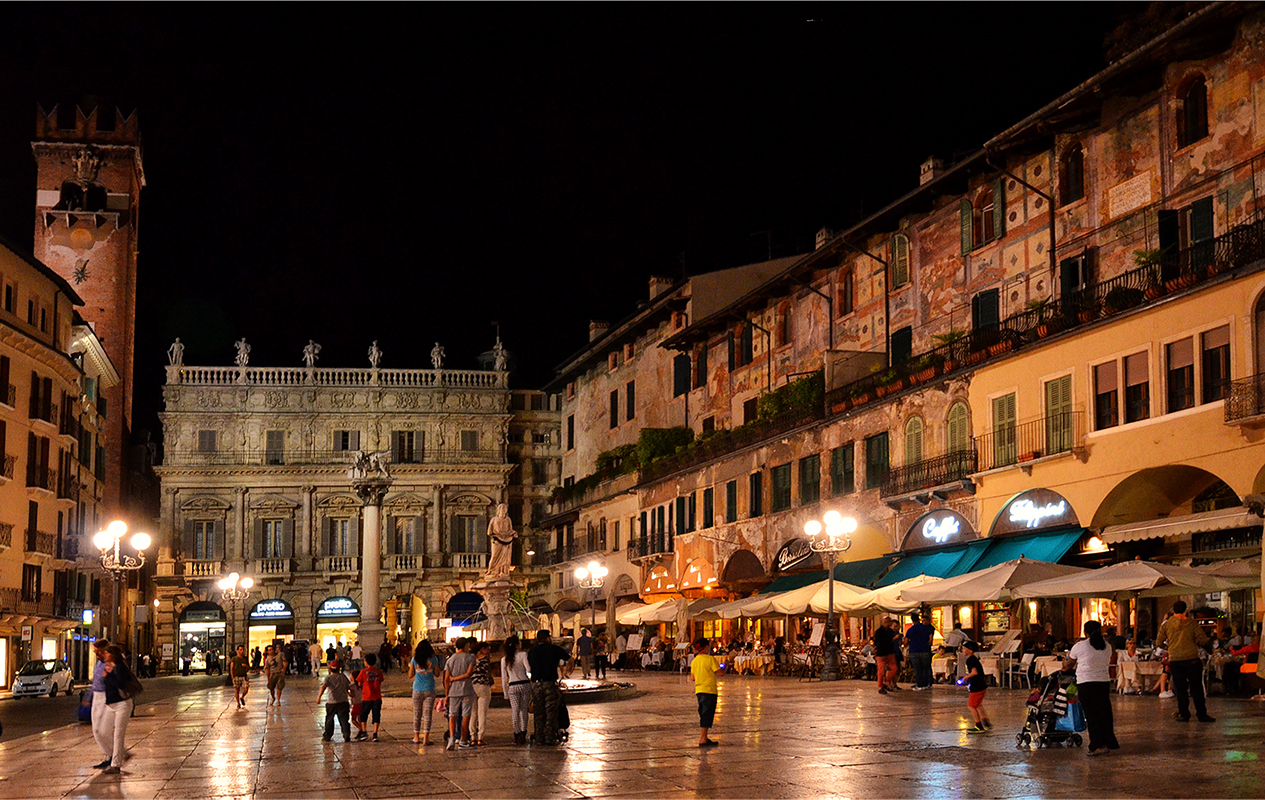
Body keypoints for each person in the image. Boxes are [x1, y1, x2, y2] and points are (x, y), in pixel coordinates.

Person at [1156, 600, 1215, 722]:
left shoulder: (1166, 625)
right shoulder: (1192, 623)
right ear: (1185, 610)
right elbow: (1202, 640)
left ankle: (1184, 714)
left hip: (1176, 660)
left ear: (1173, 610)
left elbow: (1159, 642)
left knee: (1181, 689)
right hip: (1192, 659)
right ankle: (1201, 714)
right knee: (1196, 688)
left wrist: (1170, 648)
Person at [1067, 620, 1119, 756]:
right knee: (1104, 713)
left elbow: (1070, 664)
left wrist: (1064, 668)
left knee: (1092, 715)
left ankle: (1096, 744)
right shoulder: (1107, 646)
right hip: (1103, 682)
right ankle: (1108, 741)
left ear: (1085, 632)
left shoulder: (1079, 646)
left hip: (1086, 683)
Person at [527, 629, 570, 746]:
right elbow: (568, 658)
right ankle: (549, 736)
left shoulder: (532, 651)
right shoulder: (554, 649)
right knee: (551, 711)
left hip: (536, 684)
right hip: (549, 683)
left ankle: (539, 737)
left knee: (538, 711)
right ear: (548, 638)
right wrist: (566, 672)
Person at [99, 645, 137, 774]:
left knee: (118, 735)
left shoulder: (120, 667)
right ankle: (120, 753)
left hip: (122, 704)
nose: (105, 655)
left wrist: (108, 675)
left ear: (112, 654)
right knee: (103, 732)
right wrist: (107, 675)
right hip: (111, 705)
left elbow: (120, 684)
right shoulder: (110, 666)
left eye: (107, 653)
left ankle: (115, 764)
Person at [689, 638, 723, 747]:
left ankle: (704, 737)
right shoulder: (710, 659)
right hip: (709, 690)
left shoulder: (694, 661)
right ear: (706, 647)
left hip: (699, 690)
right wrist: (725, 666)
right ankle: (703, 738)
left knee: (703, 713)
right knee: (707, 714)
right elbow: (720, 673)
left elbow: (693, 678)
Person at [444, 637, 477, 750]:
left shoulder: (450, 660)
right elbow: (468, 673)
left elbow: (446, 678)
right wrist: (455, 678)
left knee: (452, 715)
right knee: (465, 715)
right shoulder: (470, 658)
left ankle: (452, 738)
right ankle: (463, 739)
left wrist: (446, 694)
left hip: (453, 691)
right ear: (465, 646)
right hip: (467, 690)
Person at [501, 634, 532, 746]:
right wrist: (529, 676)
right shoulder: (523, 655)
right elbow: (528, 669)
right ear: (517, 645)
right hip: (524, 684)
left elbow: (504, 678)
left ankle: (516, 733)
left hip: (512, 686)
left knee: (515, 710)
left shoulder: (504, 659)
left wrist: (505, 693)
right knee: (524, 709)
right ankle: (523, 732)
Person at [88, 639, 114, 769]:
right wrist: (88, 696)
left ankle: (113, 755)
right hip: (96, 697)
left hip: (106, 697)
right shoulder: (98, 663)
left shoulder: (110, 663)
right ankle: (108, 755)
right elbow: (94, 682)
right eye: (95, 651)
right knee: (96, 730)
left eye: (97, 651)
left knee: (104, 730)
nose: (96, 653)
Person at [411, 640, 443, 745]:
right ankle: (426, 738)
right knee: (428, 714)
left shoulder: (414, 660)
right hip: (430, 688)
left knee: (417, 714)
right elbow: (437, 674)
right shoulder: (433, 659)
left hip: (417, 689)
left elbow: (410, 675)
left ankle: (416, 737)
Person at [317, 660, 353, 742]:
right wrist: (351, 693)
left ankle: (328, 735)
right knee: (344, 719)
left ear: (330, 669)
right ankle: (346, 734)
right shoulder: (343, 676)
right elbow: (348, 686)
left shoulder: (328, 678)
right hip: (343, 701)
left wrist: (319, 697)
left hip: (332, 702)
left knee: (329, 719)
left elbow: (323, 687)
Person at [961, 640, 992, 733]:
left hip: (976, 686)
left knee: (971, 706)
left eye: (964, 648)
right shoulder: (974, 659)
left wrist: (965, 677)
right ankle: (986, 722)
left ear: (970, 650)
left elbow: (974, 672)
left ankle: (978, 726)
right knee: (978, 705)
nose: (962, 650)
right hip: (981, 685)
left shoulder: (970, 660)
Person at [355, 653, 386, 741]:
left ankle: (364, 732)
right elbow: (381, 681)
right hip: (377, 697)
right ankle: (375, 734)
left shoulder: (363, 672)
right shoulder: (379, 671)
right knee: (376, 715)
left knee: (363, 715)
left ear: (366, 662)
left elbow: (359, 683)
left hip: (367, 697)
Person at [470, 642, 494, 746]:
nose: (488, 651)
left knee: (473, 714)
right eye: (487, 649)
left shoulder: (470, 659)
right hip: (483, 686)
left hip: (472, 686)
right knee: (482, 713)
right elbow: (488, 672)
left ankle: (472, 737)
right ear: (481, 650)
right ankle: (480, 738)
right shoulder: (485, 659)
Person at [905, 613, 935, 690]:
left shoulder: (910, 629)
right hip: (924, 650)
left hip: (914, 651)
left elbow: (906, 641)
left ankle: (919, 684)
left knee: (917, 669)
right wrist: (926, 645)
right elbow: (930, 639)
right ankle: (926, 684)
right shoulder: (926, 628)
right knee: (925, 668)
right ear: (919, 619)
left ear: (912, 620)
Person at [873, 616, 899, 694]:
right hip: (881, 654)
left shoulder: (890, 631)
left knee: (894, 669)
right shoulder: (879, 632)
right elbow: (879, 643)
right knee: (881, 671)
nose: (891, 623)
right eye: (889, 622)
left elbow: (889, 641)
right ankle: (880, 686)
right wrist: (881, 653)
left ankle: (885, 681)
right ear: (885, 623)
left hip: (890, 652)